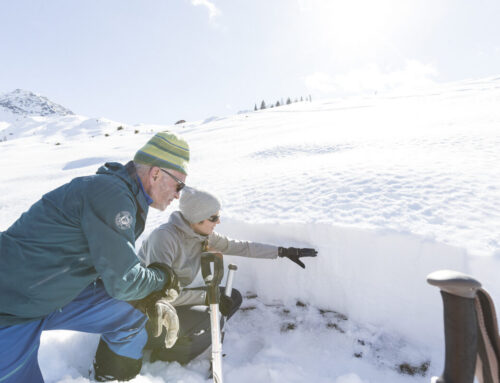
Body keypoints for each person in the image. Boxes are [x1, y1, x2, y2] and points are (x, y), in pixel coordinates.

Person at [0, 131, 190, 382]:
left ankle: (111, 375)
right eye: (179, 185)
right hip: (13, 305)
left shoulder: (122, 196)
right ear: (156, 174)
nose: (178, 195)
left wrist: (144, 295)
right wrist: (163, 278)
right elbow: (124, 281)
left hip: (51, 292)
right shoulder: (112, 195)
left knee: (131, 310)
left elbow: (111, 271)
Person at [138, 187, 318, 364]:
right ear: (196, 218)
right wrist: (208, 297)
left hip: (174, 298)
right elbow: (158, 296)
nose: (218, 221)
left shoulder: (201, 234)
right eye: (213, 218)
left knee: (231, 297)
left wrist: (282, 251)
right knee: (211, 311)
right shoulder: (164, 239)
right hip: (147, 314)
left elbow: (240, 246)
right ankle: (167, 356)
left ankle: (193, 337)